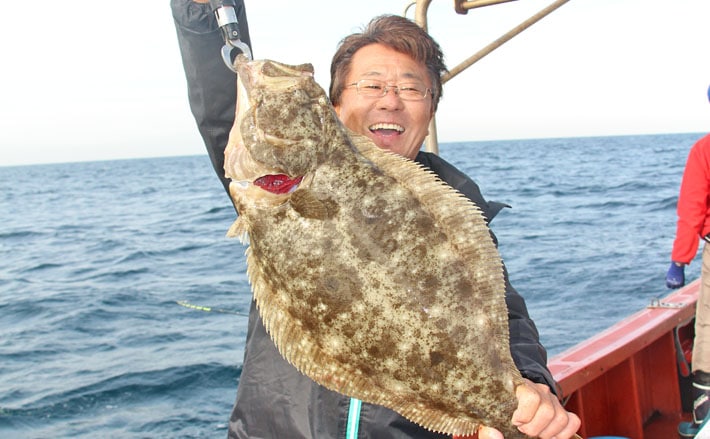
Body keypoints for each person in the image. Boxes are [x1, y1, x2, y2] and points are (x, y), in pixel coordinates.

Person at [172, 2, 580, 438]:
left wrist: (532, 388)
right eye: (372, 85)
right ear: (335, 105)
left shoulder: (450, 217)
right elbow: (222, 108)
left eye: (411, 89)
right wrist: (202, 16)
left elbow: (506, 318)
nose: (390, 101)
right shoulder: (267, 187)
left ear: (431, 109)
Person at [666, 85, 710, 438]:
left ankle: (704, 411)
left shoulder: (704, 150)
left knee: (708, 329)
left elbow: (692, 209)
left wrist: (680, 261)